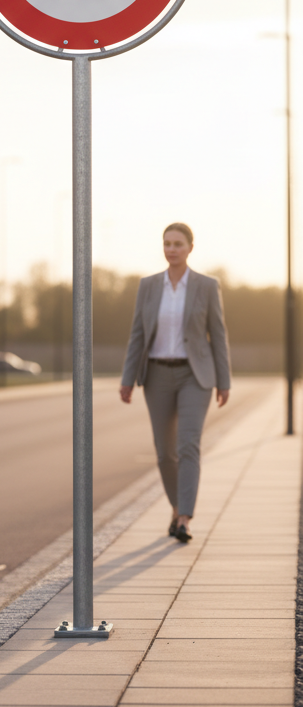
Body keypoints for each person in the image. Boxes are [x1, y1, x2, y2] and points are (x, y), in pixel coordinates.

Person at [119, 223, 231, 543]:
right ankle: (176, 506)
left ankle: (184, 518)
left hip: (195, 375)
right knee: (165, 452)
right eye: (167, 243)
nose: (171, 249)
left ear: (190, 248)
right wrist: (128, 379)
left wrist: (224, 381)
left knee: (188, 445)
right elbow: (137, 336)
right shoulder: (149, 286)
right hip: (156, 375)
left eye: (178, 244)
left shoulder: (207, 286)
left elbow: (218, 336)